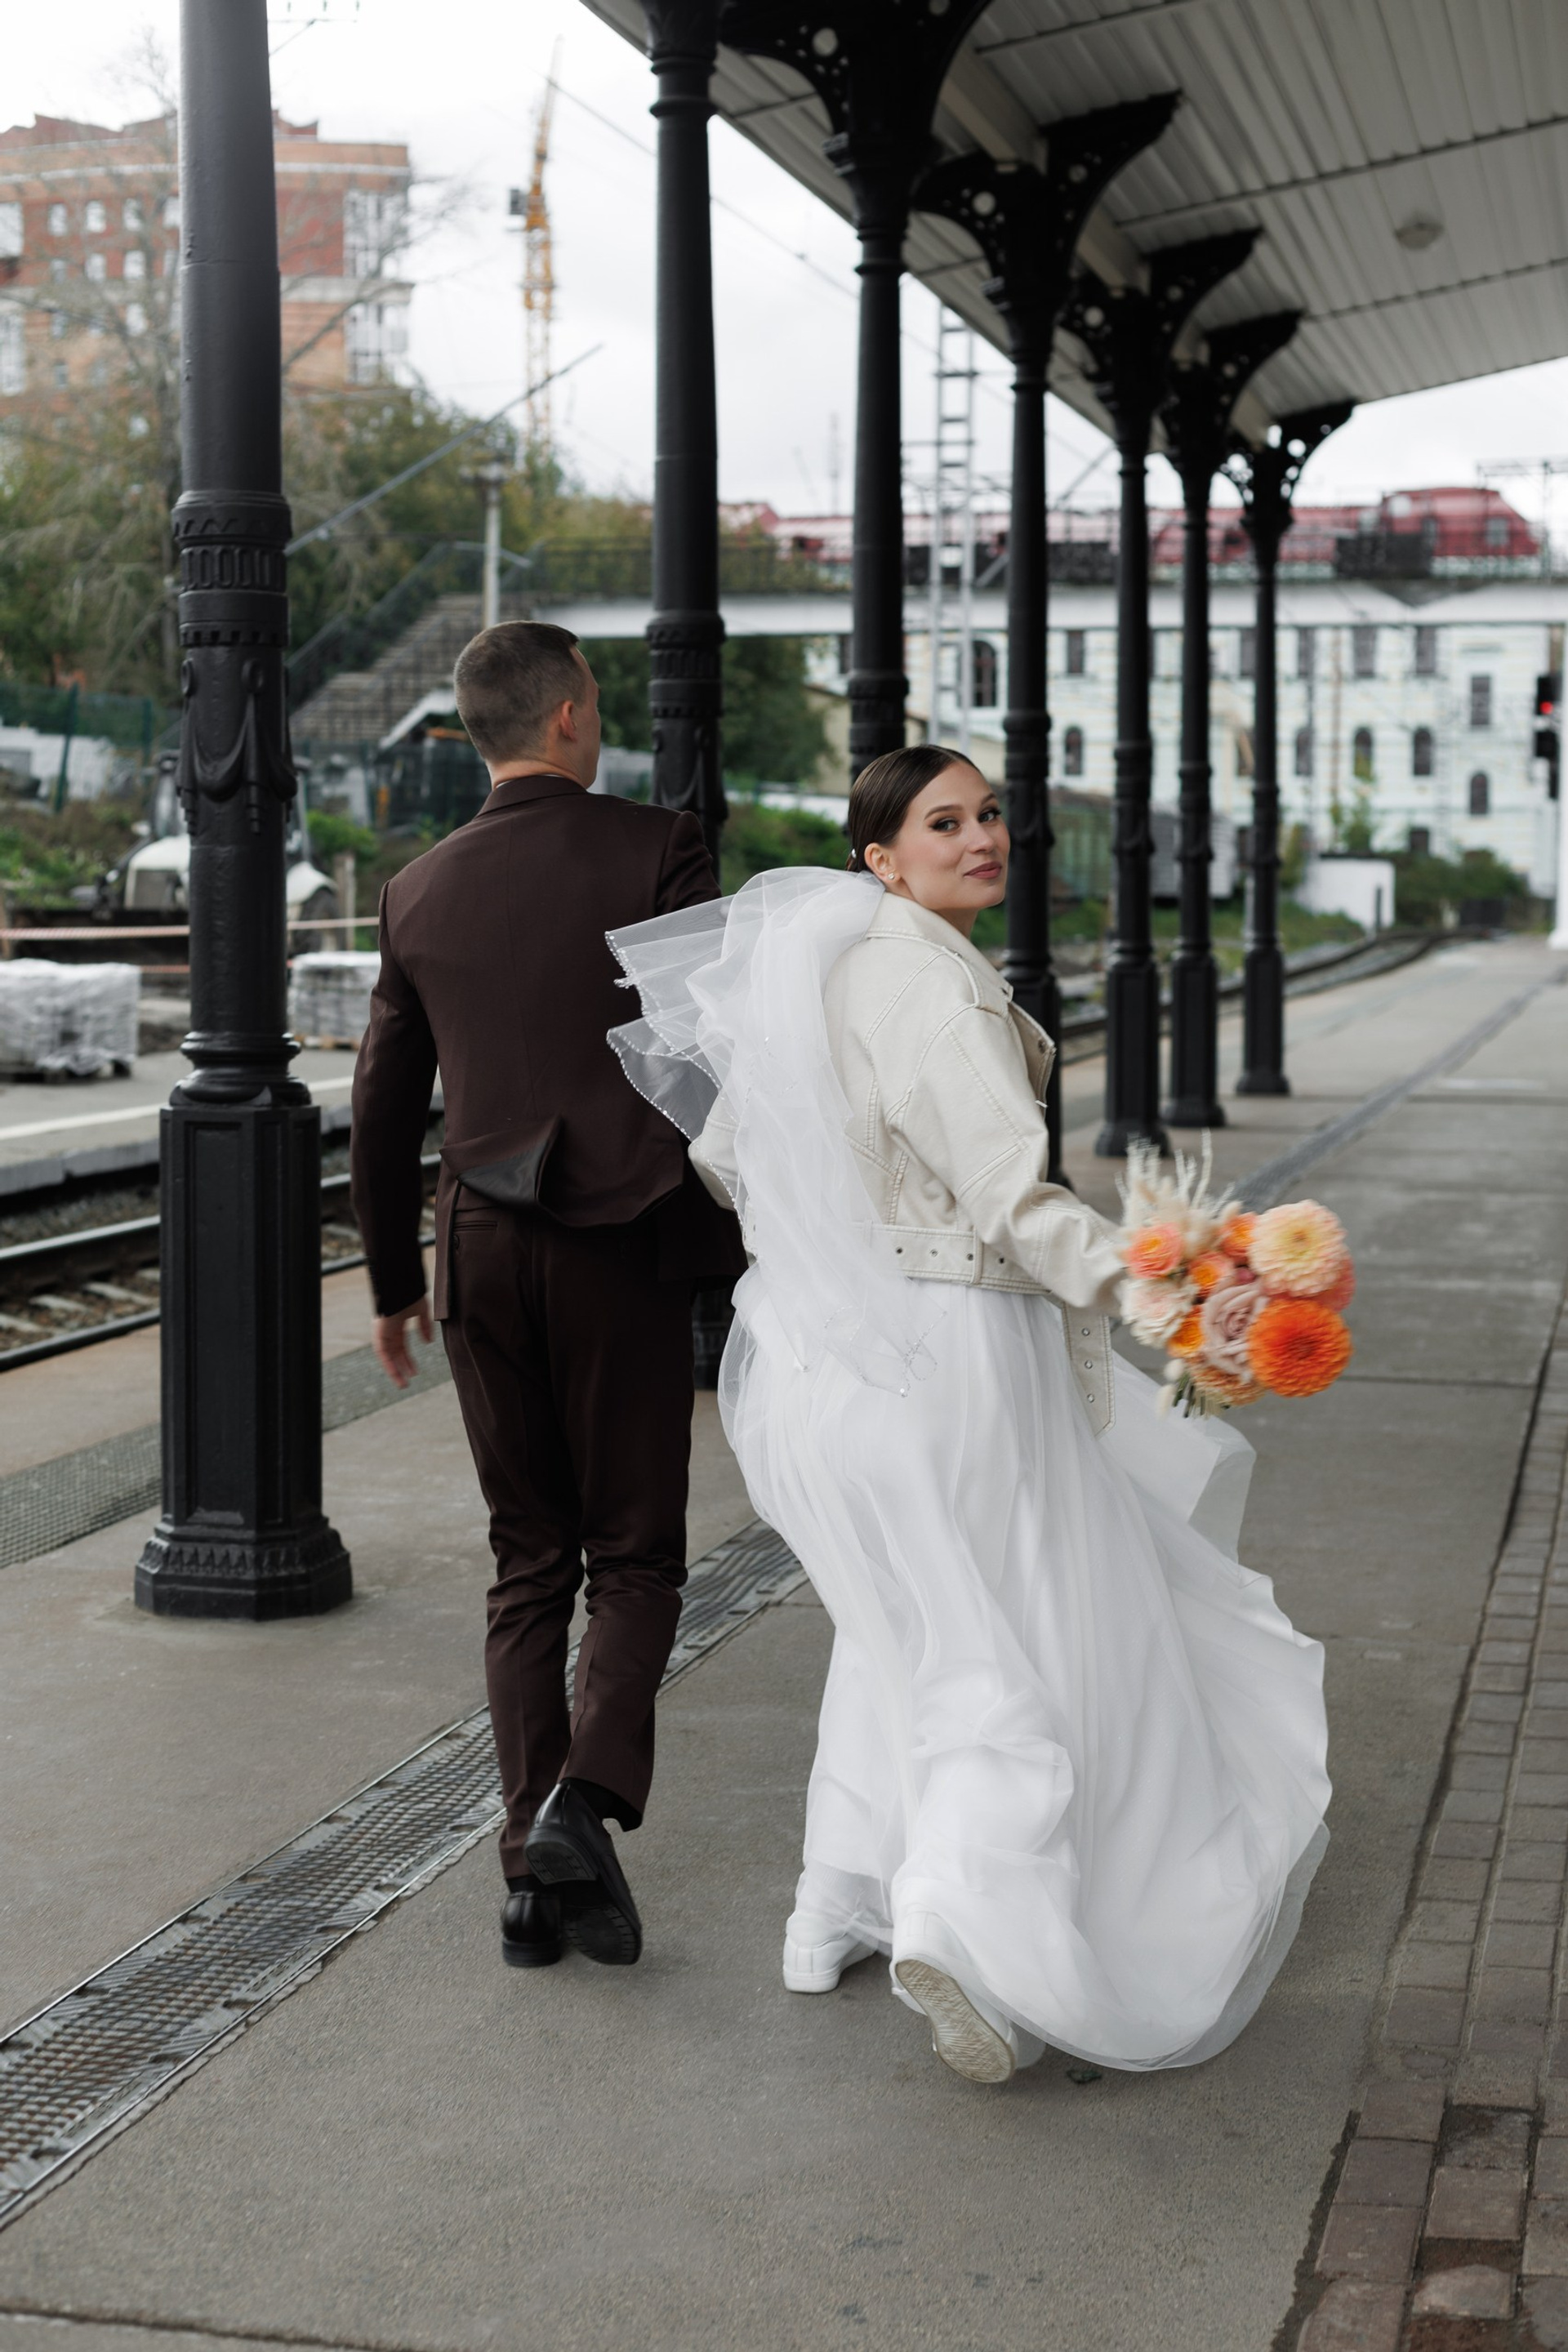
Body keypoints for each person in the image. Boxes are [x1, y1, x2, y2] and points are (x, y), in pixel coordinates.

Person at [606, 743, 1330, 2084]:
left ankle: (834, 1907)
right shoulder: (931, 993)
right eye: (946, 822)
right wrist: (1163, 1296)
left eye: (991, 813)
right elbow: (1017, 1203)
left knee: (904, 1631)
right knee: (1023, 1634)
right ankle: (963, 1920)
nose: (983, 836)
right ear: (881, 859)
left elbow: (724, 1158)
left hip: (828, 1364)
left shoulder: (817, 976)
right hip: (954, 1355)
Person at [350, 621, 745, 1975]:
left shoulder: (416, 889)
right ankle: (585, 1798)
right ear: (575, 713)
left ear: (475, 734)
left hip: (477, 1250)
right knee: (635, 1555)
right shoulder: (655, 845)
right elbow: (706, 1052)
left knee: (530, 1561)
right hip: (618, 1242)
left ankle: (535, 1876)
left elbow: (383, 1103)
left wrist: (395, 1282)